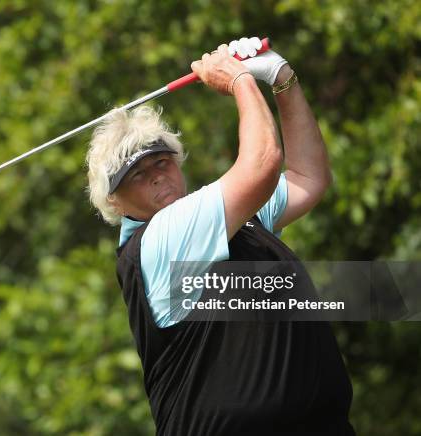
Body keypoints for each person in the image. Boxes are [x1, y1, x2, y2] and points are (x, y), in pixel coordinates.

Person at [86, 37, 355, 435]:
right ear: (115, 202)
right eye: (136, 176)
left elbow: (308, 178)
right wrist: (239, 80)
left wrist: (282, 79)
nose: (156, 176)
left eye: (162, 162)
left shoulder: (231, 221)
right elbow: (262, 163)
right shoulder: (160, 240)